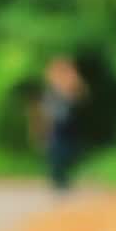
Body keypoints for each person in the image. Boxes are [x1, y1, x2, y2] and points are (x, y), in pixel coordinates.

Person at [33, 56, 86, 192]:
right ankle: (58, 179)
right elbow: (45, 109)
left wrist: (73, 79)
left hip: (68, 121)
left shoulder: (69, 84)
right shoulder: (52, 87)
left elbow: (80, 95)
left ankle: (62, 178)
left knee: (70, 150)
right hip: (55, 122)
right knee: (57, 150)